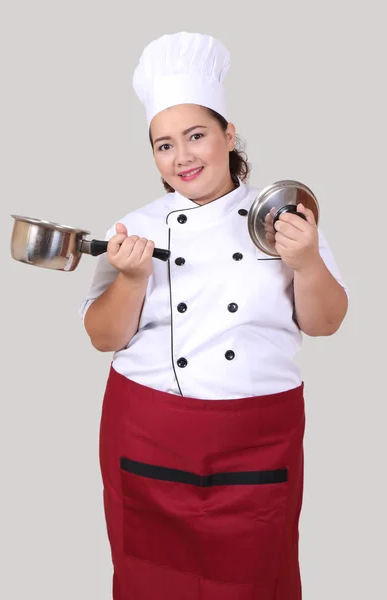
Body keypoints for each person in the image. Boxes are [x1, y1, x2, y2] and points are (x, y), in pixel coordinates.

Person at [79, 32, 348, 600]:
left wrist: (305, 261)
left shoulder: (283, 219)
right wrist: (131, 278)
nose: (182, 157)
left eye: (196, 135)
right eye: (164, 144)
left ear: (228, 134)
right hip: (149, 433)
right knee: (151, 581)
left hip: (256, 438)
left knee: (255, 581)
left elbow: (325, 322)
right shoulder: (137, 227)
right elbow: (103, 337)